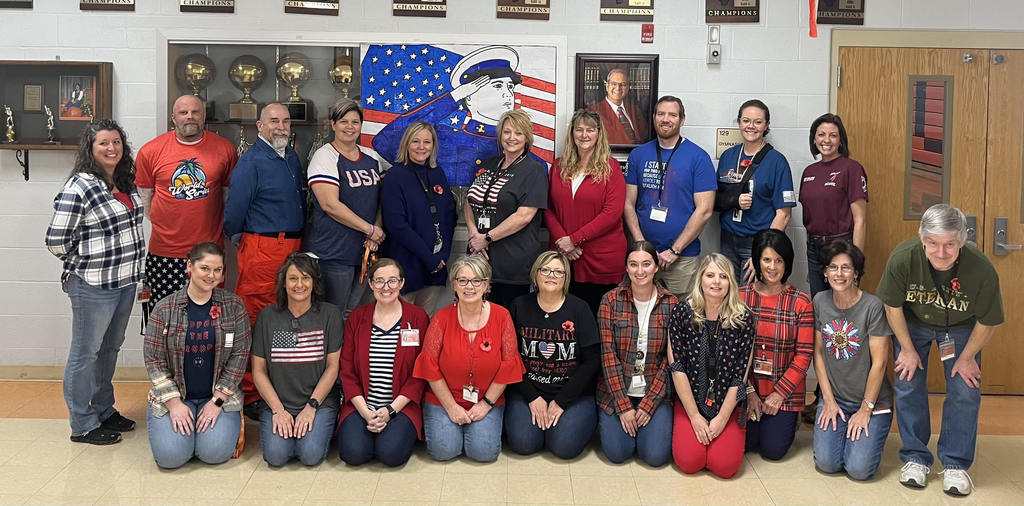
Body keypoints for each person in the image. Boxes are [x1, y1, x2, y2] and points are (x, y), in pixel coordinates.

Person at [877, 204, 1003, 496]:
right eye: (932, 243)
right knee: (908, 382)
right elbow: (892, 306)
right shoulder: (903, 258)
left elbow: (989, 320)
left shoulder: (981, 269)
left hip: (960, 327)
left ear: (961, 241)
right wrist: (906, 349)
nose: (941, 252)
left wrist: (968, 356)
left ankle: (956, 464)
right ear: (922, 239)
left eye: (949, 244)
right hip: (914, 323)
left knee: (965, 388)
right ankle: (915, 457)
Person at [46, 119, 145, 445]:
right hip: (93, 285)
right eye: (104, 143)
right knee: (85, 353)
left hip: (125, 282)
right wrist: (84, 262)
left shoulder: (124, 182)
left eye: (116, 142)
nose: (111, 148)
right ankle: (82, 423)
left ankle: (104, 409)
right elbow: (56, 239)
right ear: (90, 148)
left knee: (109, 349)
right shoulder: (81, 185)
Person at [223, 103, 306, 407]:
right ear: (259, 126)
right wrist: (243, 242)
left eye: (285, 121)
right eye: (273, 121)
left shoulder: (290, 157)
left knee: (284, 317)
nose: (280, 126)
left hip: (292, 248)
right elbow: (233, 212)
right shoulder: (252, 161)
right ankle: (250, 392)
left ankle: (275, 386)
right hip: (263, 248)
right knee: (257, 318)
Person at [143, 242, 251, 468]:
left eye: (217, 270)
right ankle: (184, 436)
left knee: (214, 454)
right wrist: (173, 404)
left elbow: (240, 356)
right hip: (175, 397)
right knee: (170, 459)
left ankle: (201, 435)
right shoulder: (164, 309)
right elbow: (154, 360)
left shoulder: (233, 306)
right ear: (189, 266)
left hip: (217, 398)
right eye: (204, 268)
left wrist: (217, 401)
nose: (211, 275)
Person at [372, 45, 542, 186]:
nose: (508, 94)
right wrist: (452, 98)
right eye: (497, 86)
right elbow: (385, 141)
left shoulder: (533, 164)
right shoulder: (444, 140)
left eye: (510, 87)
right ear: (468, 96)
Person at [412, 255, 525, 462]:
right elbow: (429, 366)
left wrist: (486, 404)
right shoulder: (441, 318)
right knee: (443, 451)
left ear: (486, 285)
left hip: (486, 398)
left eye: (476, 280)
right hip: (444, 399)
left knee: (483, 453)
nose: (469, 287)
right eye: (462, 280)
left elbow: (508, 366)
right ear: (454, 285)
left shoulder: (502, 316)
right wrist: (451, 407)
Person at [136, 95, 238, 317]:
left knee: (207, 322)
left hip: (209, 253)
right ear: (173, 118)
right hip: (164, 253)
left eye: (195, 112)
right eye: (183, 112)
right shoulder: (150, 151)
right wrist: (169, 221)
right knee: (163, 321)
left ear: (203, 116)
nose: (189, 117)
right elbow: (145, 200)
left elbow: (228, 197)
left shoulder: (225, 149)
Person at [506, 251, 601, 459]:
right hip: (528, 392)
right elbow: (510, 357)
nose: (552, 275)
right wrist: (532, 397)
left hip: (572, 394)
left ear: (566, 278)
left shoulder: (579, 308)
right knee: (524, 443)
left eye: (559, 272)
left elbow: (592, 361)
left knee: (563, 448)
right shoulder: (519, 306)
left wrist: (561, 401)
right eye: (546, 270)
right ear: (535, 274)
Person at [668, 253, 755, 478]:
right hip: (691, 401)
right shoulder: (681, 313)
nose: (716, 282)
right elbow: (677, 368)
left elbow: (740, 376)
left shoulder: (743, 318)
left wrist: (723, 418)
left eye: (723, 276)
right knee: (689, 462)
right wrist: (695, 416)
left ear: (731, 283)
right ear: (700, 280)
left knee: (725, 467)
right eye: (710, 275)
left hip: (728, 403)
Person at [812, 240, 893, 481]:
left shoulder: (873, 306)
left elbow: (880, 363)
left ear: (856, 273)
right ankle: (845, 431)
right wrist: (827, 400)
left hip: (872, 403)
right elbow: (817, 353)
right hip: (835, 399)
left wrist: (865, 410)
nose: (839, 274)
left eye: (846, 268)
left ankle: (860, 433)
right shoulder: (819, 301)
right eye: (833, 267)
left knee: (858, 470)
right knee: (827, 464)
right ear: (825, 272)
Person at [251, 253, 342, 467]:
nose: (299, 284)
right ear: (283, 283)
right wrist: (278, 410)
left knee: (310, 455)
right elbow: (258, 370)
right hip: (278, 403)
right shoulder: (267, 317)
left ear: (314, 283)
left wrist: (311, 407)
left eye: (306, 278)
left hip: (318, 403)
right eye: (293, 278)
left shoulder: (330, 315)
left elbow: (332, 366)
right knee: (276, 456)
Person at [338, 259, 430, 467]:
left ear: (402, 283)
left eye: (392, 281)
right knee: (353, 454)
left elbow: (420, 371)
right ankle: (371, 432)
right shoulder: (357, 318)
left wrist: (390, 411)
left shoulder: (417, 318)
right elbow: (347, 371)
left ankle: (390, 434)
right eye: (379, 281)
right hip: (362, 405)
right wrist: (366, 412)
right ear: (370, 284)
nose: (385, 287)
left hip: (401, 405)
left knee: (391, 455)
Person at [623, 96, 717, 297]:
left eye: (672, 115)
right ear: (654, 117)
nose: (666, 119)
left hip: (682, 258)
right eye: (661, 114)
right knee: (640, 311)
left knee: (680, 316)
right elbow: (628, 204)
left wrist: (674, 250)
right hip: (643, 259)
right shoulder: (638, 155)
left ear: (682, 120)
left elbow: (705, 210)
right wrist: (642, 247)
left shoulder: (698, 157)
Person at [596, 240, 677, 467]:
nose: (640, 271)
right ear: (626, 267)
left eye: (646, 264)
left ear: (656, 267)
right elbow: (607, 356)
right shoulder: (610, 301)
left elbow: (670, 361)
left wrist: (649, 403)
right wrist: (623, 406)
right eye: (633, 264)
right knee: (618, 454)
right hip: (616, 391)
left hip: (654, 391)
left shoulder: (671, 303)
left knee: (654, 457)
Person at [305, 98, 387, 318]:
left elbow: (381, 199)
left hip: (364, 252)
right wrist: (368, 230)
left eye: (355, 122)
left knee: (353, 313)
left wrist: (375, 232)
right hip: (333, 251)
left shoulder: (371, 157)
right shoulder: (325, 156)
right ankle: (330, 354)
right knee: (333, 313)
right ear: (333, 124)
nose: (349, 127)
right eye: (343, 121)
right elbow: (330, 205)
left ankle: (346, 354)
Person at [544, 110, 626, 315]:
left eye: (590, 130)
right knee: (566, 319)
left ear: (599, 134)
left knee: (598, 321)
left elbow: (612, 213)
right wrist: (563, 241)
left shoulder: (611, 168)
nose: (584, 135)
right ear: (572, 133)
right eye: (579, 129)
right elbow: (548, 208)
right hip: (564, 256)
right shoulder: (558, 166)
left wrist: (574, 239)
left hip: (600, 258)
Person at [465, 109, 548, 308]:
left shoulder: (534, 170)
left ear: (527, 137)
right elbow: (470, 201)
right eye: (507, 132)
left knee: (507, 321)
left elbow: (524, 216)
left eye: (518, 133)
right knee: (476, 316)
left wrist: (486, 238)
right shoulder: (489, 165)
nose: (512, 138)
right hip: (479, 258)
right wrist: (474, 235)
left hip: (513, 263)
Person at [742, 229, 814, 460]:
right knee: (747, 445)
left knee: (773, 451)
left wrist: (779, 394)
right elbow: (733, 354)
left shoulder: (801, 302)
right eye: (766, 260)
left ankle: (790, 418)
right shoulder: (740, 297)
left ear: (787, 263)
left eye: (778, 260)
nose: (772, 267)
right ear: (757, 262)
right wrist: (749, 391)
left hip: (783, 393)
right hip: (747, 389)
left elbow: (803, 355)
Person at [381, 121, 457, 316]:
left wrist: (443, 256)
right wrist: (428, 258)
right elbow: (396, 225)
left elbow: (449, 216)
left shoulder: (437, 173)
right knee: (402, 323)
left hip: (435, 266)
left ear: (433, 145)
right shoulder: (395, 176)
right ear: (406, 144)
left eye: (427, 142)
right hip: (406, 264)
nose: (421, 147)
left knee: (425, 322)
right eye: (415, 141)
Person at [716, 100, 796, 283]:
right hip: (728, 239)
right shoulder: (728, 156)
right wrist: (734, 200)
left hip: (756, 241)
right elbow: (716, 198)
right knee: (728, 296)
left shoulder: (777, 162)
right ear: (739, 122)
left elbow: (784, 214)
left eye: (758, 122)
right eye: (746, 120)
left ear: (766, 125)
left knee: (749, 299)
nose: (751, 126)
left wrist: (763, 250)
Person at [798, 113, 867, 297]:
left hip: (841, 246)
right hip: (814, 249)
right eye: (821, 135)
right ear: (814, 139)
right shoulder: (808, 172)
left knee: (843, 302)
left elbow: (860, 220)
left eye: (833, 135)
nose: (826, 140)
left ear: (840, 140)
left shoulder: (851, 168)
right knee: (819, 302)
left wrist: (855, 263)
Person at [586, 68, 649, 145]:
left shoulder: (635, 111)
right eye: (614, 84)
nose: (618, 88)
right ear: (607, 86)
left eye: (623, 84)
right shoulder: (593, 112)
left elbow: (645, 137)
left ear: (628, 88)